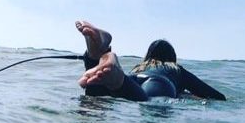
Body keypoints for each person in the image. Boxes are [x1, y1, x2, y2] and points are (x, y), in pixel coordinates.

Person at [75, 20, 227, 102]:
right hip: (157, 83)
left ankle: (96, 54)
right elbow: (214, 96)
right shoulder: (174, 69)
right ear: (171, 57)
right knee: (148, 101)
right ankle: (116, 77)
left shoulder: (140, 67)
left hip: (132, 79)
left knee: (99, 89)